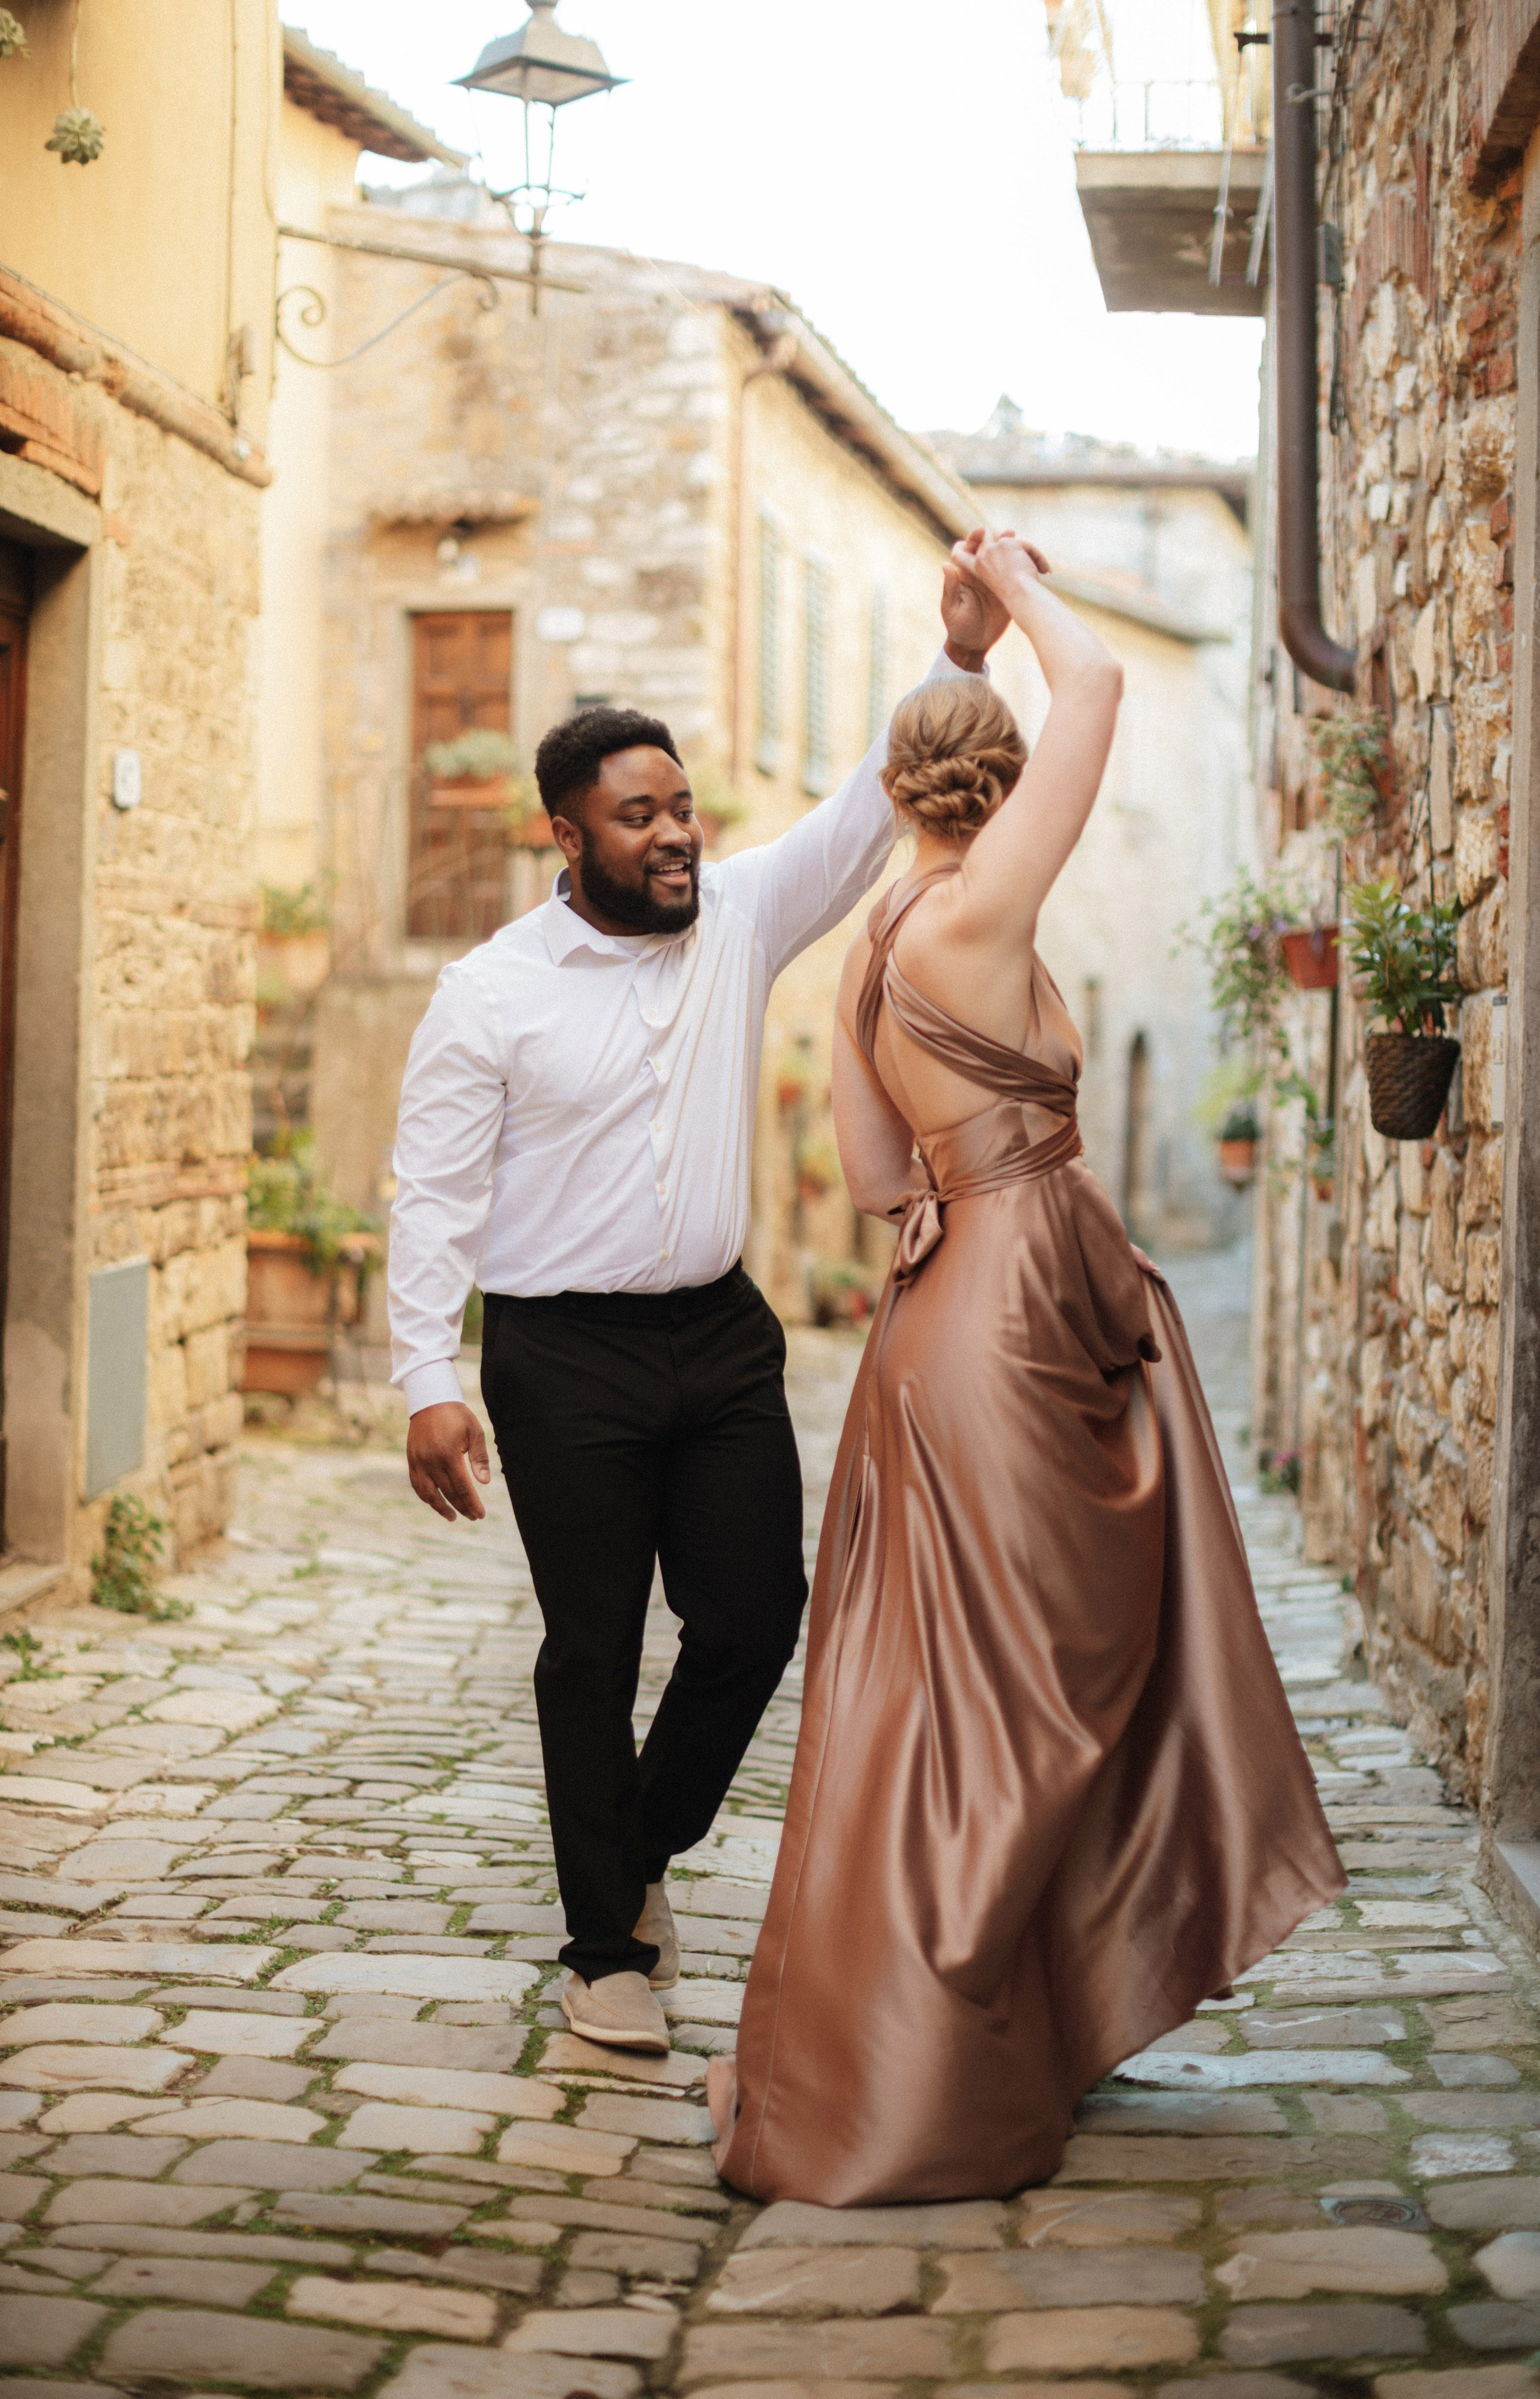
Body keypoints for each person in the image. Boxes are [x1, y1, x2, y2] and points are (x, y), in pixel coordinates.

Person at [710, 529, 1344, 2203]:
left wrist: (960, 642)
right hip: (1017, 1310)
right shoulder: (988, 912)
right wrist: (1012, 585)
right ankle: (950, 2040)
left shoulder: (870, 955)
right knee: (1047, 1684)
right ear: (1001, 795)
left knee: (944, 1685)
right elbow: (1107, 680)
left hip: (934, 1323)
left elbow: (871, 1177)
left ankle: (959, 2025)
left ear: (900, 790)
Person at [386, 559, 1029, 2058]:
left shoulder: (737, 915)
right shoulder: (489, 994)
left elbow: (868, 807)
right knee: (592, 1650)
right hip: (561, 1355)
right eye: (638, 816)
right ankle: (602, 1949)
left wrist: (958, 656)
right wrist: (428, 1378)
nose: (674, 834)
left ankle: (635, 1845)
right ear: (566, 836)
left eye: (680, 808)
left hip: (720, 1338)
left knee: (752, 1619)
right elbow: (432, 1196)